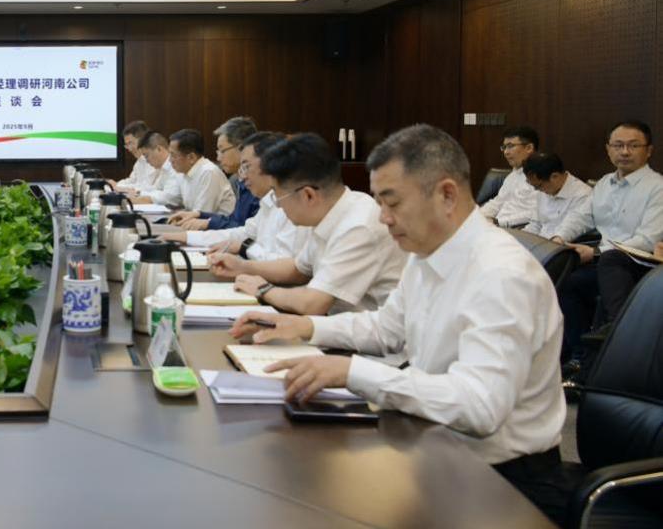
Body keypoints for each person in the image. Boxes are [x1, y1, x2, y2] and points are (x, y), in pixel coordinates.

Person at [230, 124, 564, 516]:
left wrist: (353, 372)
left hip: (504, 482)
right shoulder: (427, 251)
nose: (383, 219)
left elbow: (480, 406)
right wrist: (306, 327)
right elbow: (386, 328)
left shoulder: (501, 274)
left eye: (392, 203)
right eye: (379, 203)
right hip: (434, 442)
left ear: (446, 195)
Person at [210, 133, 403, 315]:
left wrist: (263, 289)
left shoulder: (358, 226)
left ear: (308, 195)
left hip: (366, 336)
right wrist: (243, 266)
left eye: (278, 195)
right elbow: (297, 269)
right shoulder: (329, 212)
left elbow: (313, 303)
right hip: (337, 325)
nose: (278, 205)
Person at [552, 120, 663, 363]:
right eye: (618, 145)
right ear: (608, 149)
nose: (625, 152)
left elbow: (647, 240)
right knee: (564, 278)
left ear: (649, 151)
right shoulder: (604, 183)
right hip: (606, 261)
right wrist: (559, 238)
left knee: (611, 258)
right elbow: (581, 216)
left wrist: (596, 253)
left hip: (641, 263)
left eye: (633, 146)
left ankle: (620, 329)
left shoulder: (658, 187)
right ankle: (578, 357)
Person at [162, 131, 307, 261]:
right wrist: (187, 237)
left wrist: (244, 249)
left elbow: (287, 264)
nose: (243, 177)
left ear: (270, 164)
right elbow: (243, 233)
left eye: (246, 166)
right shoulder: (269, 199)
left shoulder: (294, 201)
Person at [167, 117, 261, 231]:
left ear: (242, 148)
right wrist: (199, 214)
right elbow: (233, 220)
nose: (218, 158)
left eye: (222, 151)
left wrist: (207, 222)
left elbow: (244, 230)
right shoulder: (240, 180)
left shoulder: (257, 183)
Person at [136, 129, 234, 214]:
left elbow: (201, 214)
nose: (170, 160)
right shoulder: (183, 173)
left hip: (219, 228)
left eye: (173, 155)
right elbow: (179, 202)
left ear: (191, 157)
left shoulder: (208, 172)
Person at [520, 152, 591, 239]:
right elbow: (535, 225)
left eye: (539, 185)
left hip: (559, 244)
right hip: (538, 242)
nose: (536, 190)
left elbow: (569, 229)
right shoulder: (542, 191)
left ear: (555, 176)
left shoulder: (582, 195)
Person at [479, 125, 539, 227]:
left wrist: (499, 222)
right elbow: (497, 203)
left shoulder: (541, 176)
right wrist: (475, 217)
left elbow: (535, 213)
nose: (506, 152)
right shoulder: (513, 175)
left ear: (529, 148)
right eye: (504, 147)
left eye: (510, 146)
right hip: (498, 226)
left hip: (519, 229)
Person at [110, 120, 155, 192]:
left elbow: (146, 187)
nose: (129, 149)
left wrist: (117, 186)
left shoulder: (154, 160)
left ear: (143, 139)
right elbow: (132, 181)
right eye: (126, 145)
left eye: (130, 143)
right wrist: (114, 184)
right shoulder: (139, 161)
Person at [131, 132, 176, 201]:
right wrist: (137, 193)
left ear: (159, 149)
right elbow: (155, 189)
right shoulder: (162, 168)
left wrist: (138, 196)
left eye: (147, 156)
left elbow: (169, 196)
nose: (147, 161)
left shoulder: (175, 165)